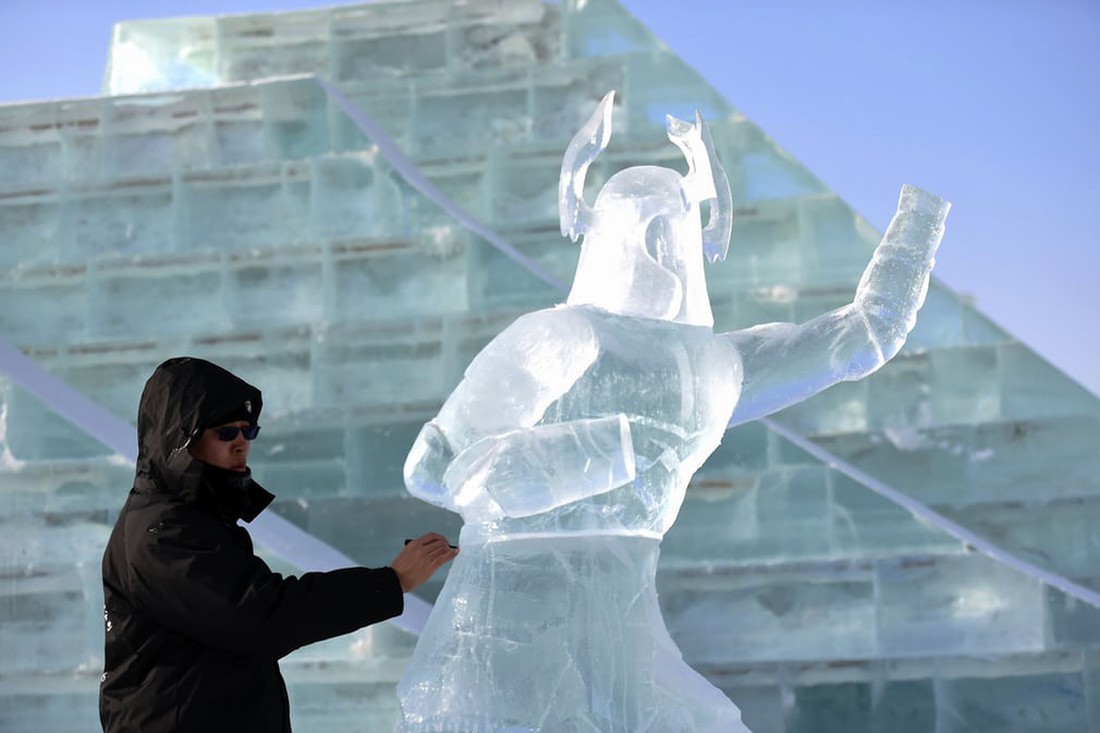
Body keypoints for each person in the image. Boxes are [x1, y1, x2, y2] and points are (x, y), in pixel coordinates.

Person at [99, 356, 457, 733]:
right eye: (225, 433)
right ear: (181, 441)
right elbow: (263, 616)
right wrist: (391, 582)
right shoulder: (162, 533)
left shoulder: (191, 521)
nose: (241, 444)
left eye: (248, 432)